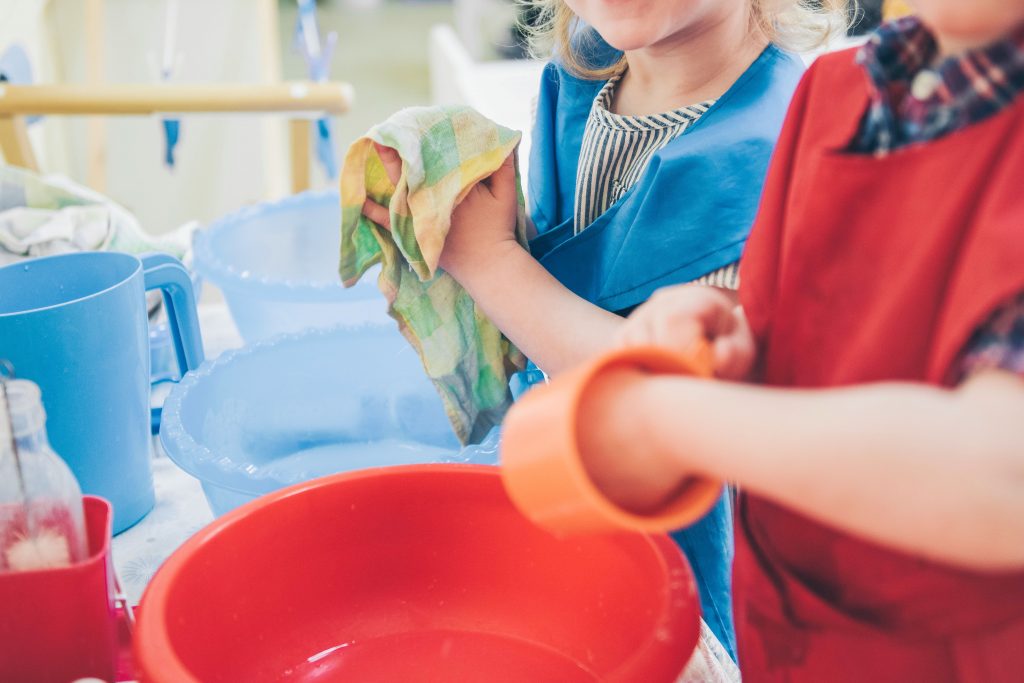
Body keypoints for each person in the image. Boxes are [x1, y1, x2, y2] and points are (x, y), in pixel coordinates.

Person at [362, 0, 847, 659]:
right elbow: (575, 282)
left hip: (684, 558)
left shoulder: (774, 155)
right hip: (566, 493)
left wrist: (488, 259)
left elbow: (667, 402)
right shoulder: (585, 74)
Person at [552, 4, 1024, 680]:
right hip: (792, 635)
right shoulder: (839, 92)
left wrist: (673, 419)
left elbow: (1000, 479)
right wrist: (733, 338)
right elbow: (842, 338)